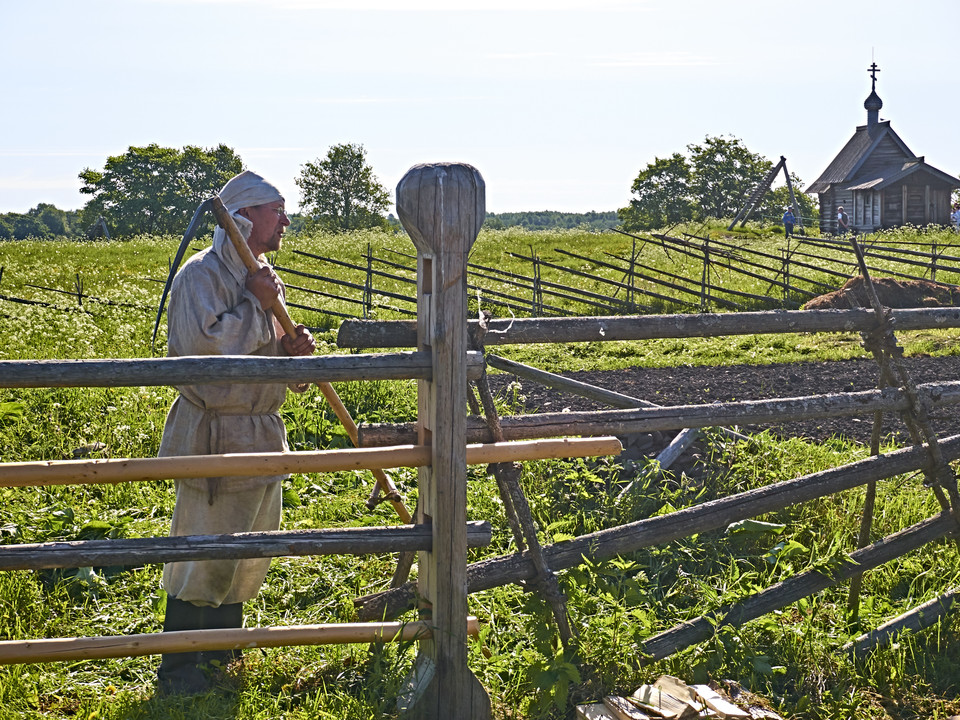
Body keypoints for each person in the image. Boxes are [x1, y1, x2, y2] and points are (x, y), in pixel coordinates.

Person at [155, 170, 316, 695]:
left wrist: (290, 351)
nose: (285, 221)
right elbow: (209, 351)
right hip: (215, 434)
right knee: (202, 553)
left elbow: (264, 353)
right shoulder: (200, 277)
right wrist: (256, 305)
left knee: (246, 550)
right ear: (244, 217)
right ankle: (180, 670)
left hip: (260, 431)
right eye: (276, 211)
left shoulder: (262, 276)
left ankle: (221, 657)